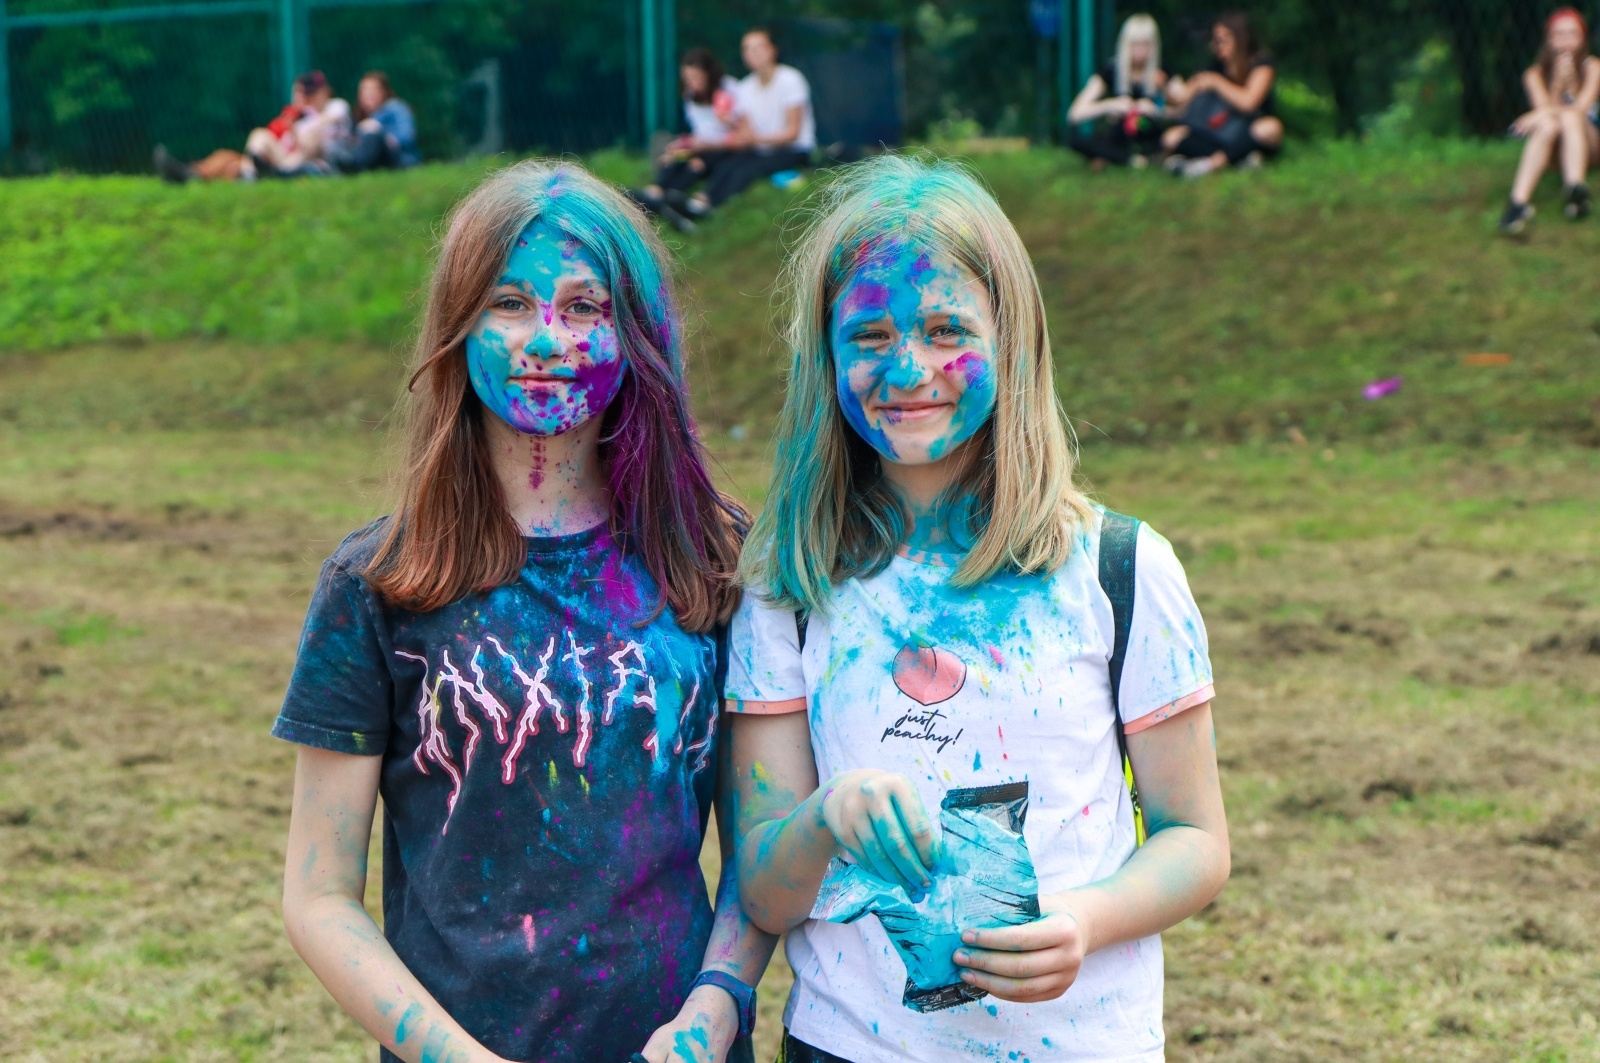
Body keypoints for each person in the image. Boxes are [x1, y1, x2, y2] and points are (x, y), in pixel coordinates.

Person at [726, 154, 1229, 1063]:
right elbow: (761, 892)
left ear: (1013, 339)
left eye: (946, 327)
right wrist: (825, 817)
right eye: (869, 335)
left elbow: (1195, 838)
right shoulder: (787, 586)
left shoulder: (1120, 570)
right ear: (825, 354)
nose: (907, 367)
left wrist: (1083, 919)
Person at [273, 160, 775, 1063]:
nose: (547, 337)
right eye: (508, 303)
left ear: (638, 338)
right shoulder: (379, 581)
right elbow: (318, 894)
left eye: (585, 307)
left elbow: (759, 849)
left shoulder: (716, 560)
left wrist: (716, 1006)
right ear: (458, 328)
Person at [671, 28, 816, 225]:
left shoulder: (791, 79)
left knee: (746, 169)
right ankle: (699, 203)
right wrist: (729, 122)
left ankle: (708, 206)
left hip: (794, 150)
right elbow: (744, 129)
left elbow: (792, 133)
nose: (753, 53)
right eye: (747, 49)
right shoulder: (745, 88)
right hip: (760, 149)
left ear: (772, 50)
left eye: (758, 47)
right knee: (728, 165)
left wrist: (753, 139)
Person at [1500, 7, 1599, 234]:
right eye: (1559, 34)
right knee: (1547, 124)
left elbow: (1581, 110)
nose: (1566, 40)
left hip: (1590, 143)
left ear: (1582, 38)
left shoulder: (1593, 67)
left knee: (1568, 117)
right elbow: (1546, 112)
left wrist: (1536, 114)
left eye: (1572, 34)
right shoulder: (1534, 74)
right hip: (1554, 150)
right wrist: (1556, 85)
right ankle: (1517, 203)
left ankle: (1575, 189)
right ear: (1549, 39)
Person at [156, 70, 350, 182]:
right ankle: (188, 172)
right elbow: (273, 138)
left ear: (325, 91)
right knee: (228, 156)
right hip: (282, 157)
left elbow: (319, 134)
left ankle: (246, 173)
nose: (305, 97)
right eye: (301, 93)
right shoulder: (300, 116)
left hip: (308, 160)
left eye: (308, 93)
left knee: (308, 137)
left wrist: (297, 123)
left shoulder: (335, 107)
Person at [630, 48, 741, 231]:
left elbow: (741, 129)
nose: (691, 83)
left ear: (708, 74)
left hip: (723, 148)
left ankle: (665, 199)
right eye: (688, 78)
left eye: (695, 77)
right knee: (671, 159)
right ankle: (657, 193)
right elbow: (699, 130)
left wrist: (727, 119)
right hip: (700, 146)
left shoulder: (728, 89)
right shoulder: (690, 96)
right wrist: (683, 144)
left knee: (695, 164)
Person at [1162, 12, 1282, 178]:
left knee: (1270, 128)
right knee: (1171, 137)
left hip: (1247, 129)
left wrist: (1217, 83)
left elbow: (1249, 103)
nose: (1217, 45)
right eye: (1215, 40)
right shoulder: (1213, 67)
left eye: (1223, 39)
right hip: (1217, 129)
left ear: (1240, 38)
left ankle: (1213, 163)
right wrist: (1167, 84)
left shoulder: (1261, 64)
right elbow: (1181, 98)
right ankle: (1240, 160)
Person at [1066, 14, 1174, 170]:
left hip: (1150, 134)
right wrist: (1112, 105)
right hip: (1119, 136)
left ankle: (1113, 158)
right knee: (1076, 140)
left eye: (1145, 44)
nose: (1140, 51)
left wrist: (1156, 109)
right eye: (1135, 44)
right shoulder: (1111, 71)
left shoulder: (1162, 73)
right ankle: (1131, 160)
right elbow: (1075, 114)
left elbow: (1183, 110)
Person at [328, 70, 421, 174]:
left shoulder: (395, 108)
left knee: (372, 134)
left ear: (384, 91)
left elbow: (406, 137)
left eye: (373, 90)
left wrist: (378, 130)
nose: (368, 94)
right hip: (372, 162)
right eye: (364, 90)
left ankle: (353, 166)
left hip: (399, 159)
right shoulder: (360, 117)